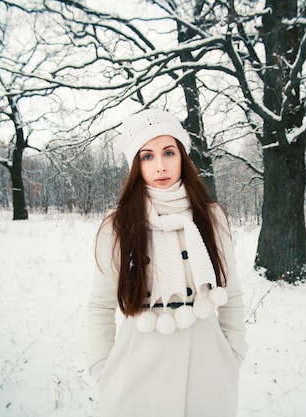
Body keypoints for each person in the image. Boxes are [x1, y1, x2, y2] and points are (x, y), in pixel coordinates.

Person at [87, 108, 248, 417]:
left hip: (207, 369)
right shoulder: (119, 223)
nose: (160, 166)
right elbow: (100, 305)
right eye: (147, 156)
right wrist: (102, 368)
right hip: (135, 367)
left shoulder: (211, 217)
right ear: (136, 164)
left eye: (168, 152)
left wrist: (233, 355)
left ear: (182, 157)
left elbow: (232, 295)